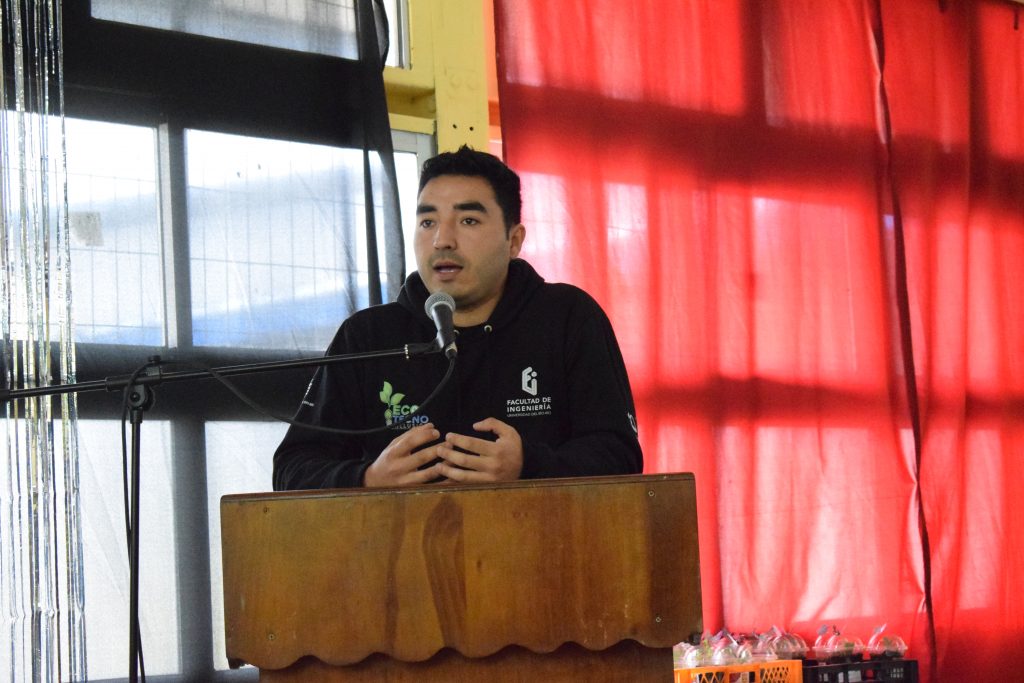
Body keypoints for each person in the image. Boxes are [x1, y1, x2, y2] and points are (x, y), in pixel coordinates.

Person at [272, 146, 642, 490]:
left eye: (468, 220)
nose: (442, 240)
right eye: (427, 222)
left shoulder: (568, 317)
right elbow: (292, 468)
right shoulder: (367, 335)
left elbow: (620, 456)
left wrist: (528, 466)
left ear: (514, 241)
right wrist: (368, 479)